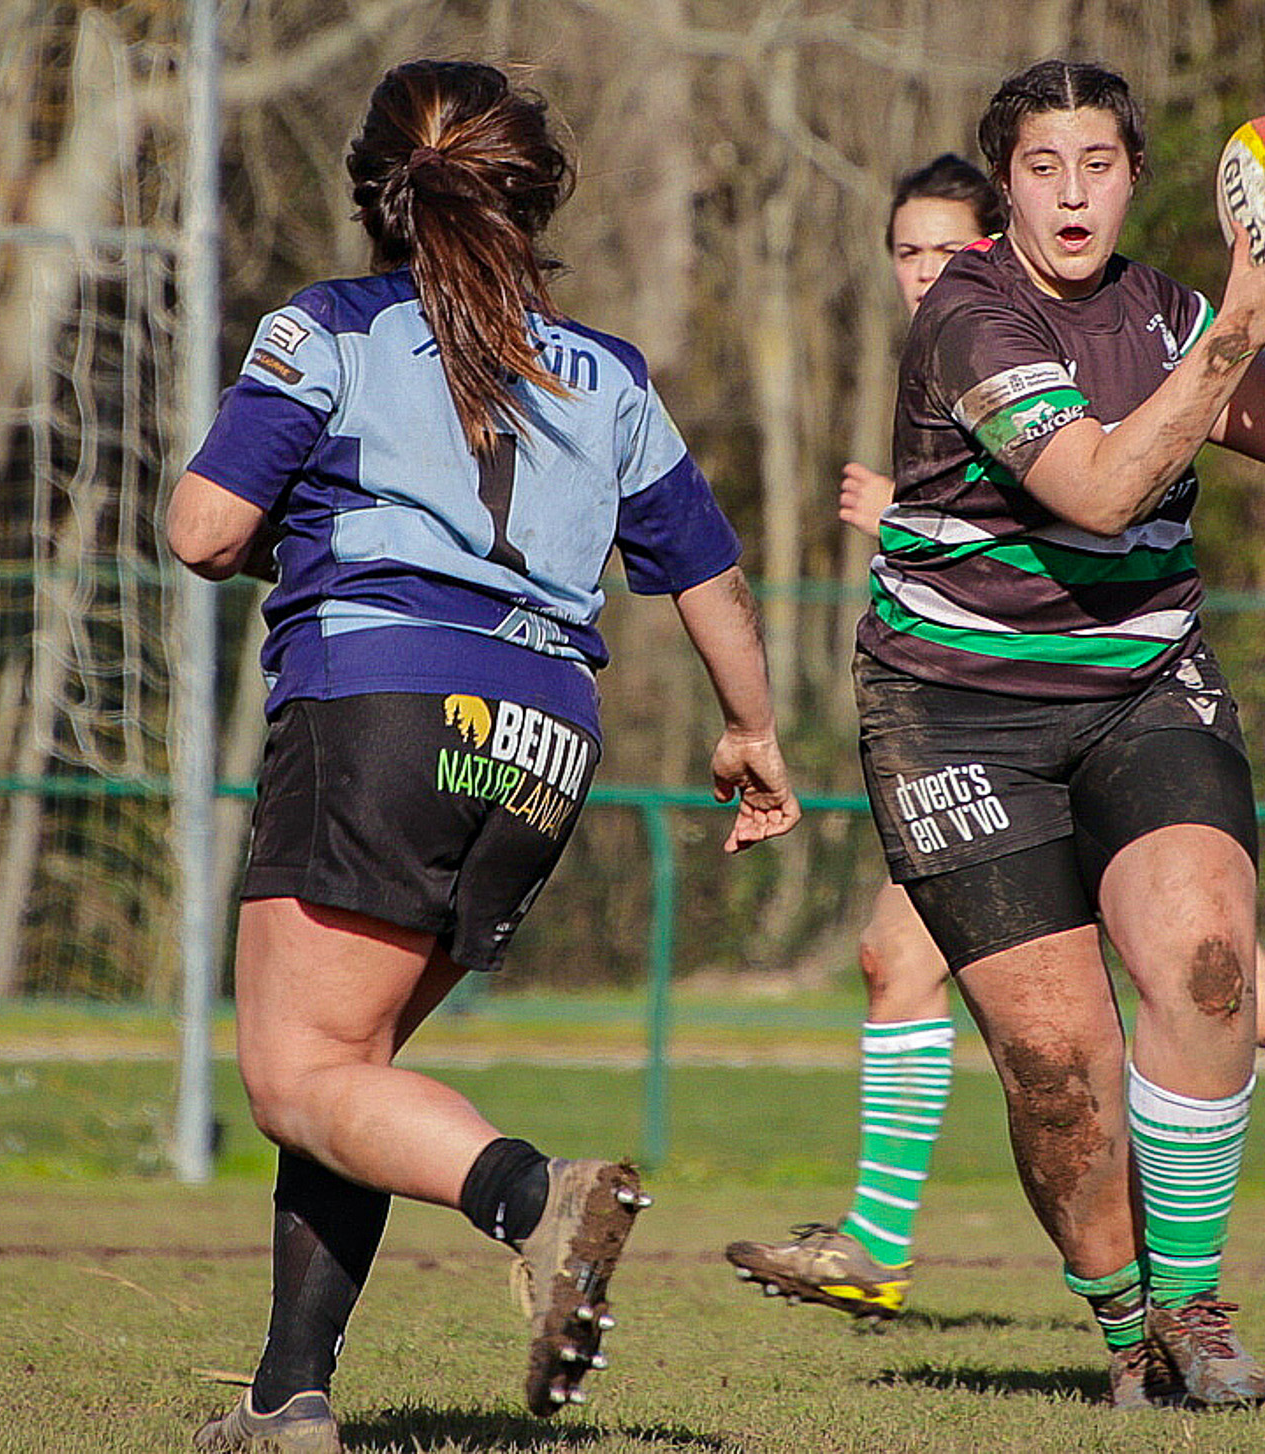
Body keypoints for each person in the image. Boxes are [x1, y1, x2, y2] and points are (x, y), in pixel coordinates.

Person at [728, 155, 1265, 1348]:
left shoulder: (1099, 316)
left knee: (1222, 984)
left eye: (944, 248)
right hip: (982, 725)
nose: (925, 273)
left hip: (1110, 710)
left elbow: (1103, 479)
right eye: (905, 253)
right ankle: (888, 1239)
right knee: (906, 954)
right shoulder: (966, 342)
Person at [168, 59, 799, 1451]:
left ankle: (531, 1196)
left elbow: (203, 527)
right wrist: (754, 731)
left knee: (295, 1073)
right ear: (536, 194)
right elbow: (708, 571)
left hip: (381, 706)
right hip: (541, 740)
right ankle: (289, 1396)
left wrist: (284, 524)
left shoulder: (328, 324)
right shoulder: (609, 373)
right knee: (352, 1068)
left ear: (375, 191)